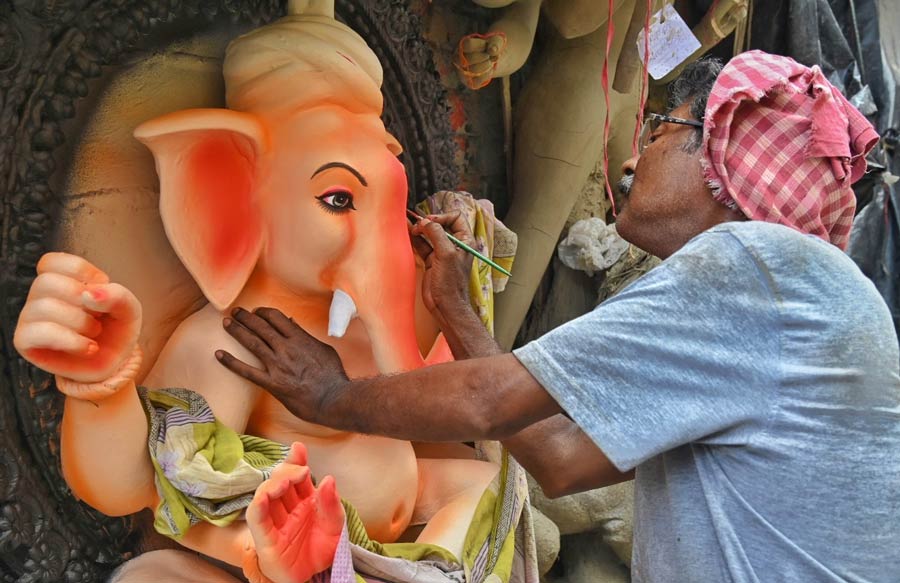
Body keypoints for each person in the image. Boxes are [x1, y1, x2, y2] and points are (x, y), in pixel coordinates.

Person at [216, 51, 900, 582]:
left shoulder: (754, 264)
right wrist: (455, 309)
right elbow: (562, 457)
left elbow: (490, 404)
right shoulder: (790, 296)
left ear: (720, 152)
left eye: (660, 129)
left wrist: (332, 395)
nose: (632, 159)